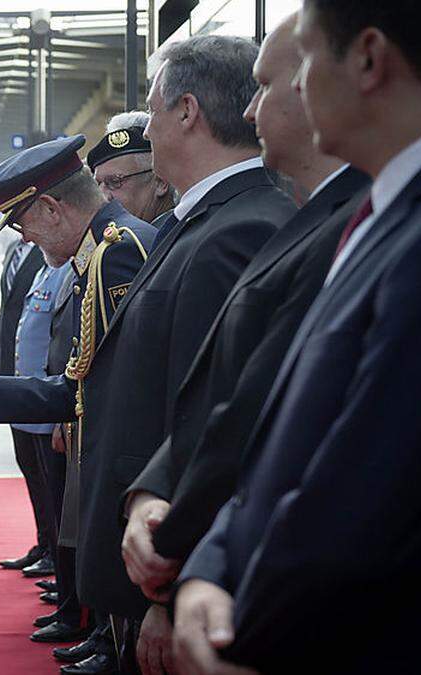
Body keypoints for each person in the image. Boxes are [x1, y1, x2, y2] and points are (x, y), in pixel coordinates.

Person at [0, 35, 296, 675]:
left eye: (153, 110)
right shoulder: (192, 225)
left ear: (185, 112)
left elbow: (212, 419)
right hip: (145, 536)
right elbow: (103, 382)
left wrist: (170, 584)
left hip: (164, 549)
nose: (145, 127)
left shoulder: (226, 230)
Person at [172, 2, 421, 673]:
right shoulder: (400, 209)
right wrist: (208, 564)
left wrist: (236, 622)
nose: (290, 93)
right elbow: (282, 440)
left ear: (368, 59)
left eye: (306, 59)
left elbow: (363, 495)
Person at [115, 17, 369, 674]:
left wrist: (181, 570)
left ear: (369, 61)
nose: (253, 110)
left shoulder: (266, 224)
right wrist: (152, 498)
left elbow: (255, 419)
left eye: (271, 83)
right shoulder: (306, 216)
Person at [0, 134, 156, 667]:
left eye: (21, 223)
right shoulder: (100, 251)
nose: (25, 239)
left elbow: (106, 390)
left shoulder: (116, 253)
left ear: (50, 207)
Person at [0, 230, 51, 573]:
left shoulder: (52, 249)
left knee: (45, 470)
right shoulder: (16, 249)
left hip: (38, 380)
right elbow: (10, 314)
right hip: (12, 373)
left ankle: (54, 550)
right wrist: (1, 366)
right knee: (27, 460)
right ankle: (44, 542)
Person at [88, 114, 176, 224]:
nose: (102, 198)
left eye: (115, 181)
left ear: (160, 181)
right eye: (97, 184)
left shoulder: (184, 235)